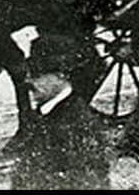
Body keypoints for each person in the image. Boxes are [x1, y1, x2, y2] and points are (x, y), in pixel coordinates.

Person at [11, 32, 110, 190]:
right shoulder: (45, 115)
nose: (28, 81)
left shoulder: (76, 124)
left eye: (37, 74)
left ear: (61, 75)